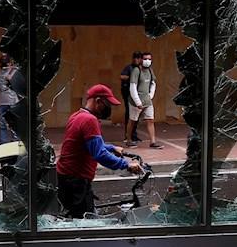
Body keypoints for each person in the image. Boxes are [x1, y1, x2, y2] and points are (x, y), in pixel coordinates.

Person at [55, 84, 144, 219]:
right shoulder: (89, 120)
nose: (109, 109)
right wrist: (126, 164)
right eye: (107, 104)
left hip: (67, 177)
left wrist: (112, 148)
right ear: (98, 101)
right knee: (84, 222)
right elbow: (100, 154)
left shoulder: (77, 115)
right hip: (76, 180)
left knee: (79, 216)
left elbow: (89, 145)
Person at [128, 51, 163, 149]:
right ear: (140, 60)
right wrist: (137, 102)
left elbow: (153, 83)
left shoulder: (150, 70)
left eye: (149, 59)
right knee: (133, 121)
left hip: (147, 100)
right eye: (145, 59)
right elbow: (132, 87)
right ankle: (129, 139)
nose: (147, 61)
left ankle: (153, 142)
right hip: (136, 101)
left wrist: (150, 95)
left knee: (150, 120)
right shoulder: (136, 71)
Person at [0, 53, 25, 144]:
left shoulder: (14, 73)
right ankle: (3, 142)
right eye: (3, 63)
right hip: (2, 103)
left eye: (6, 62)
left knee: (14, 123)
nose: (5, 65)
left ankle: (16, 141)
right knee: (2, 124)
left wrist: (12, 70)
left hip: (13, 101)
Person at [120, 51, 143, 146]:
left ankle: (134, 134)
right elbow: (122, 76)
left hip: (138, 94)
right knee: (129, 114)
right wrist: (132, 78)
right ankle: (128, 135)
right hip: (128, 93)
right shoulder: (129, 67)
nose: (136, 60)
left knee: (136, 115)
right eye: (135, 58)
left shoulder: (141, 69)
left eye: (138, 58)